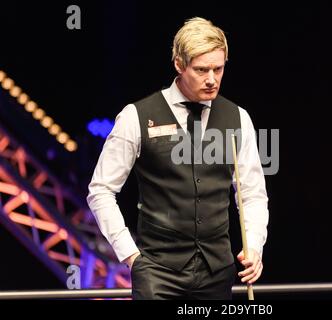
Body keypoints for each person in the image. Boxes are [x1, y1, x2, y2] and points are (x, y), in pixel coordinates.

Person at [87, 17, 269, 300]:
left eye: (218, 69)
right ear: (179, 65)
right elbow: (100, 191)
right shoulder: (136, 116)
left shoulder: (238, 118)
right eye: (201, 70)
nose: (211, 79)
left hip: (217, 273)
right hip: (157, 274)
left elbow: (252, 194)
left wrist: (254, 245)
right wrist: (131, 256)